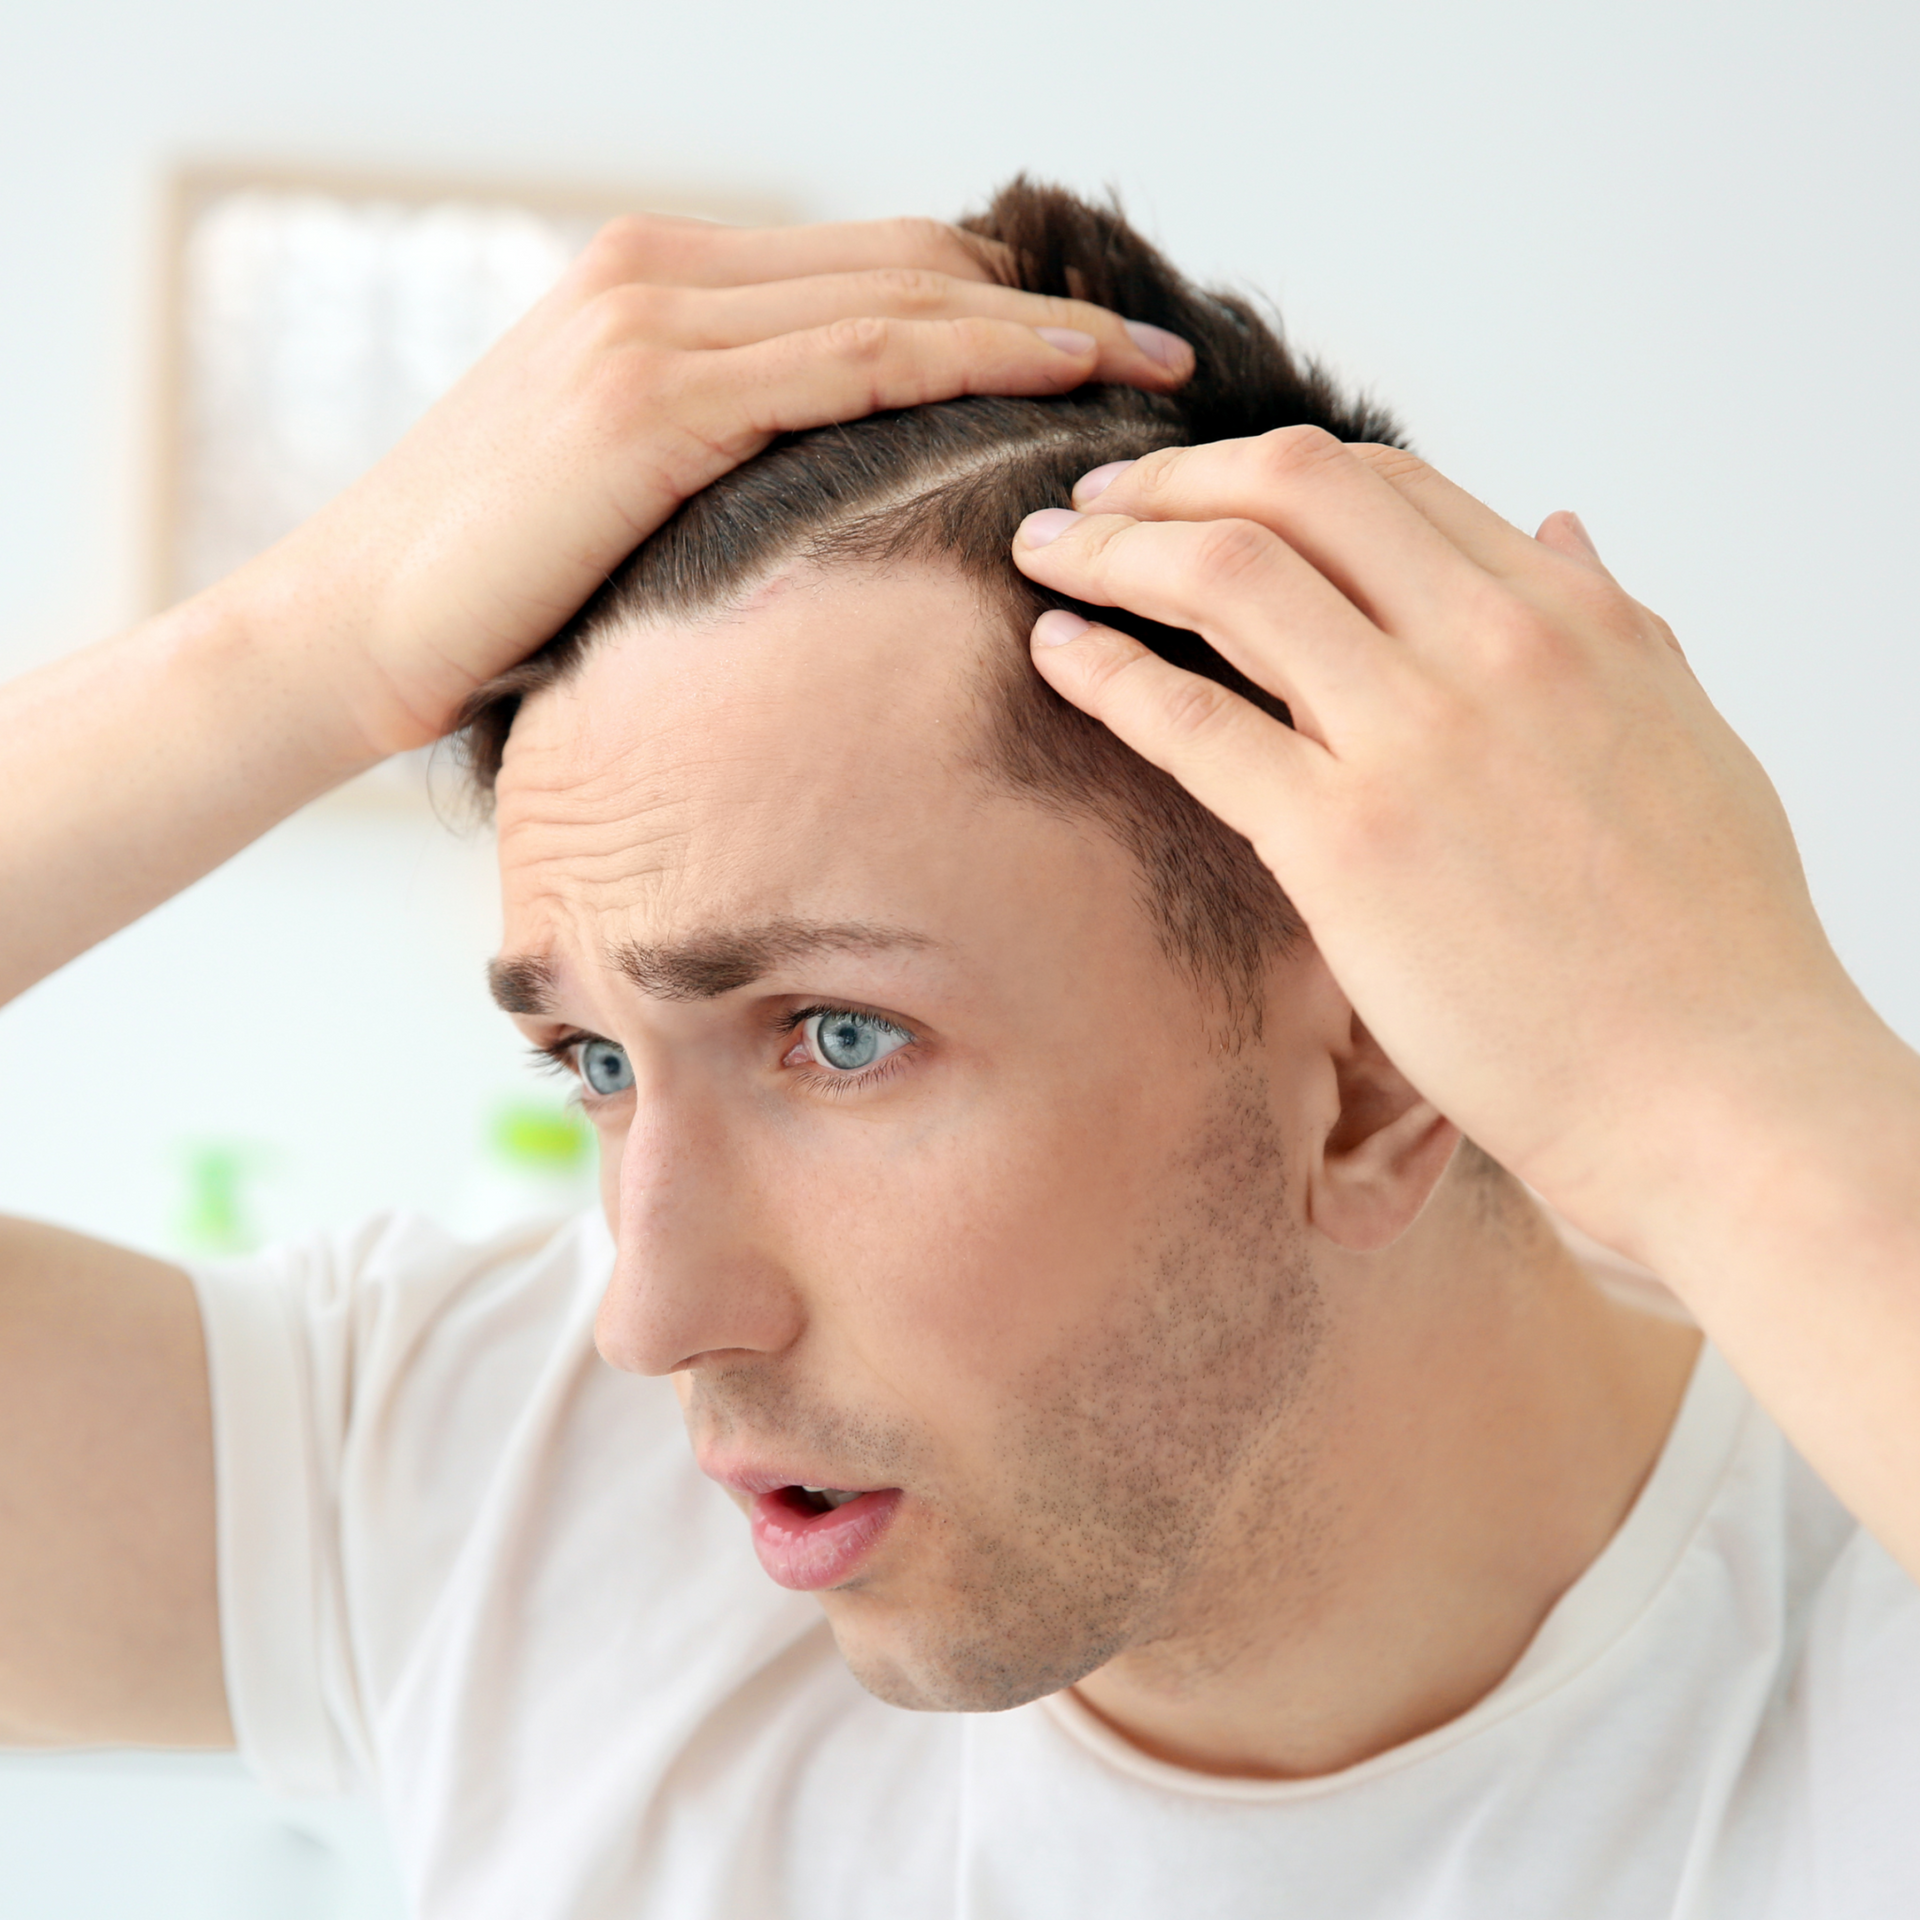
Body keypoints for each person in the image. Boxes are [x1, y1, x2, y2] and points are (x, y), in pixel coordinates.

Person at [2, 179, 1916, 1918]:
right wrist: (289, 648)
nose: (653, 1312)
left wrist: (1733, 1086)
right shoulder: (511, 1477)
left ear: (1378, 1076)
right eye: (597, 1062)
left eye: (839, 1037)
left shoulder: (1852, 1648)